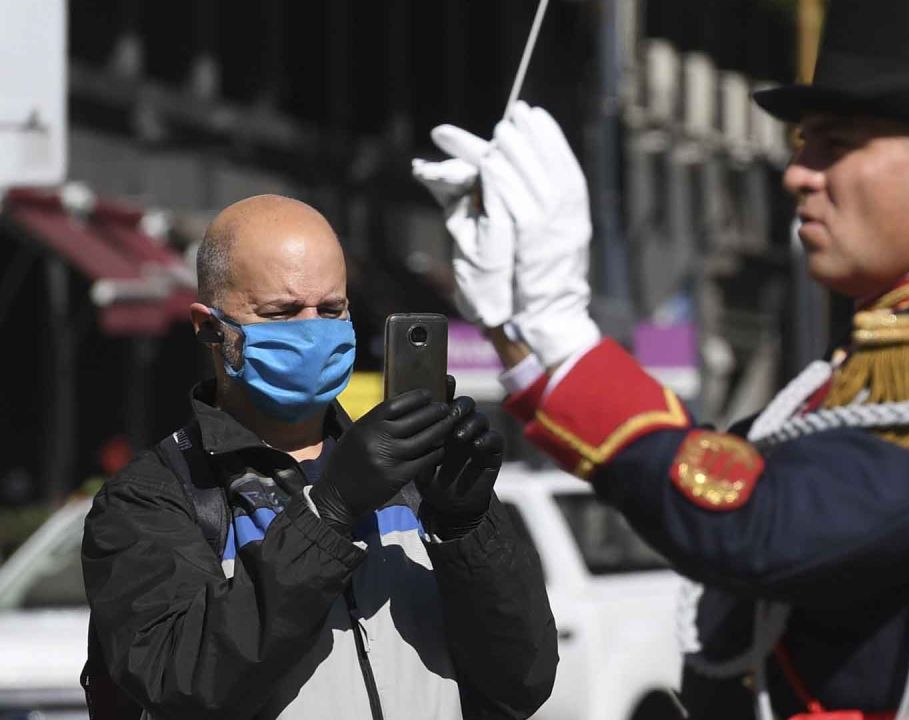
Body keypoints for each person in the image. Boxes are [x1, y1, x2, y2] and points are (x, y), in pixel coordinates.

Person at [416, 0, 909, 718]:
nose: (797, 174)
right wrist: (515, 327)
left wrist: (563, 333)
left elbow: (760, 523)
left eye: (834, 145)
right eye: (804, 143)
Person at [81, 195, 557, 720]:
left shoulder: (412, 478)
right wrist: (328, 513)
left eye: (332, 310)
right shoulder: (154, 496)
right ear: (210, 328)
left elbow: (523, 682)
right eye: (282, 313)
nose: (313, 331)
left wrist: (466, 528)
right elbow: (183, 682)